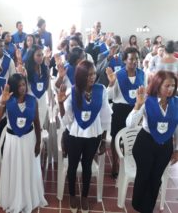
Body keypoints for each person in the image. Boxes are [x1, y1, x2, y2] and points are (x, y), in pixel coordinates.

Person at [58, 60, 112, 213]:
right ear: (81, 76)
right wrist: (61, 104)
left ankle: (85, 196)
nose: (92, 77)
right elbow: (66, 119)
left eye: (94, 73)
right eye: (88, 75)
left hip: (93, 135)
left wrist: (103, 140)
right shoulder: (73, 91)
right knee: (73, 165)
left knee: (87, 165)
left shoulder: (101, 90)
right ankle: (72, 194)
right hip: (74, 135)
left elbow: (105, 117)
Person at [0, 73, 48, 213]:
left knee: (28, 167)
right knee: (15, 168)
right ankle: (13, 198)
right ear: (12, 87)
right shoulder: (8, 100)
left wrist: (38, 142)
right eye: (19, 86)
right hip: (13, 142)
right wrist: (2, 102)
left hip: (29, 140)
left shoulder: (32, 100)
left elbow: (36, 122)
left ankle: (28, 196)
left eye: (24, 84)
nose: (22, 88)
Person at [126, 71, 178, 213]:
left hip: (165, 145)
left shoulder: (176, 102)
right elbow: (130, 125)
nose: (171, 89)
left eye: (173, 86)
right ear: (158, 85)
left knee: (156, 178)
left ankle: (148, 207)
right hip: (145, 144)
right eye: (167, 85)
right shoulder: (147, 100)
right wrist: (137, 105)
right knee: (144, 176)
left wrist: (177, 149)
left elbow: (177, 128)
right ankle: (138, 205)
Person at [106, 47, 144, 178]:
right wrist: (111, 83)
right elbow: (109, 96)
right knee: (116, 137)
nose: (134, 61)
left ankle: (131, 161)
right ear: (124, 60)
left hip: (135, 110)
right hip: (120, 110)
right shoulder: (118, 75)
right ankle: (115, 164)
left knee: (133, 137)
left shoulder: (142, 74)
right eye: (131, 59)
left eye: (136, 59)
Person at [25, 44, 50, 128]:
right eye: (38, 55)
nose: (41, 57)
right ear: (32, 56)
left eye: (42, 55)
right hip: (30, 100)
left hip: (42, 100)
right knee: (31, 127)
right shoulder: (26, 70)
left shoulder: (44, 69)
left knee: (40, 127)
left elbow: (46, 87)